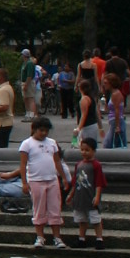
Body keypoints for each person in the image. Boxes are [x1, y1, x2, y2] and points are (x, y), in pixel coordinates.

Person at [20, 114, 68, 249]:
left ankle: (57, 237)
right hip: (36, 180)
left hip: (52, 179)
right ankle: (40, 237)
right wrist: (24, 182)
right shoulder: (27, 144)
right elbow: (23, 165)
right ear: (34, 129)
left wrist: (63, 177)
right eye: (41, 130)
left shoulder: (52, 143)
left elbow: (57, 161)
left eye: (46, 131)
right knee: (39, 209)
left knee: (55, 208)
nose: (44, 133)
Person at [69, 135, 106, 248]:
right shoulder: (79, 165)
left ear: (93, 151)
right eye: (82, 150)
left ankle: (99, 239)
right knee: (81, 219)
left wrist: (97, 196)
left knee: (95, 220)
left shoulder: (96, 165)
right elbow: (75, 182)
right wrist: (71, 195)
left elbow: (99, 182)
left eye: (87, 150)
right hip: (80, 197)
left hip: (91, 196)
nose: (84, 152)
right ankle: (82, 238)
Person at [75, 76, 103, 150]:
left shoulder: (84, 99)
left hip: (87, 127)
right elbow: (96, 114)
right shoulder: (91, 98)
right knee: (92, 146)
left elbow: (83, 115)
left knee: (86, 146)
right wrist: (100, 127)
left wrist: (78, 128)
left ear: (81, 88)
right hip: (93, 125)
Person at [19, 49, 40, 120]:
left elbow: (29, 76)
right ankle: (27, 113)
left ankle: (32, 115)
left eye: (22, 55)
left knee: (30, 98)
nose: (22, 56)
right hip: (24, 82)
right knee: (25, 98)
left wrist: (26, 85)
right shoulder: (24, 63)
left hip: (28, 82)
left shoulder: (29, 63)